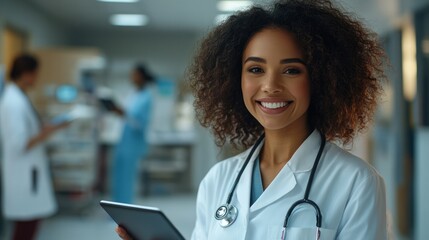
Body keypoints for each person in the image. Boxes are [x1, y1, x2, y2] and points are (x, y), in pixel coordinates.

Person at [116, 0, 387, 239]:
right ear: (236, 79)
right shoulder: (218, 179)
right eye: (255, 69)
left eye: (291, 70)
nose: (270, 86)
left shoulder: (356, 182)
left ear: (320, 79)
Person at [0, 54, 69, 240]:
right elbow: (20, 143)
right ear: (27, 73)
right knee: (25, 227)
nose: (36, 79)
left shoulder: (18, 96)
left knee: (28, 225)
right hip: (25, 173)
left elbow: (27, 131)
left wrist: (47, 127)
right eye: (35, 74)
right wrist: (48, 132)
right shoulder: (13, 102)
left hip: (29, 171)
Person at [111, 64, 154, 204]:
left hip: (133, 142)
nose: (132, 77)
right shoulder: (133, 94)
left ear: (141, 76)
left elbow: (140, 121)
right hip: (124, 140)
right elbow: (127, 114)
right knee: (118, 176)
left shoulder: (146, 96)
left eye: (134, 74)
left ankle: (124, 207)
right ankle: (116, 206)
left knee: (127, 178)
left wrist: (124, 113)